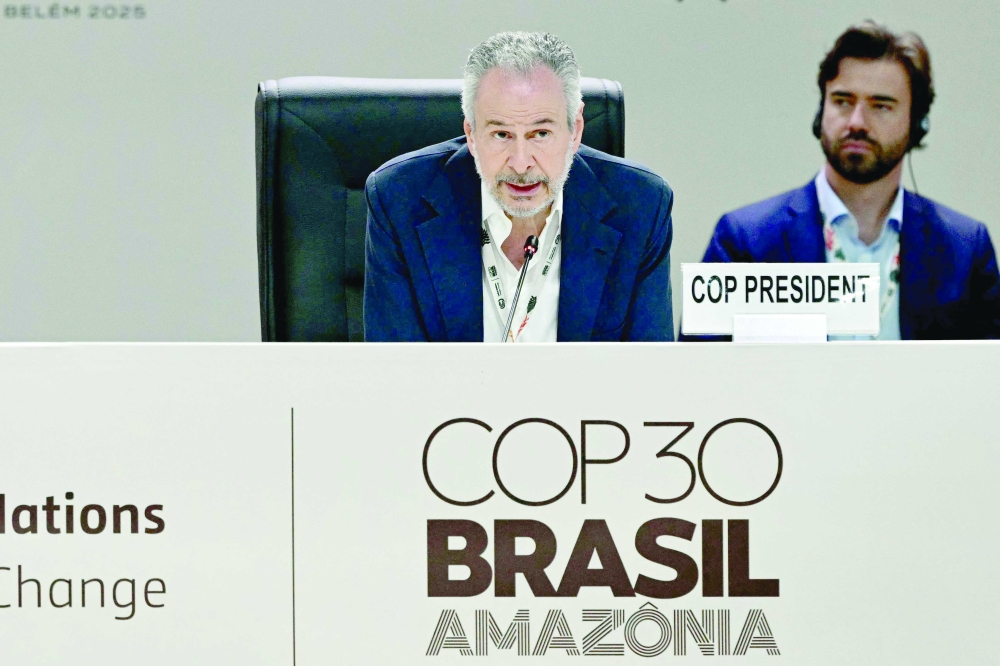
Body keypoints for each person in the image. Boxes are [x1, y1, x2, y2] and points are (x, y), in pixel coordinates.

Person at [363, 32, 674, 342]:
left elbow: (650, 378)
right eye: (501, 135)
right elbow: (396, 377)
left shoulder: (642, 207)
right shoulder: (399, 201)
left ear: (575, 130)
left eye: (540, 133)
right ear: (471, 135)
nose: (521, 163)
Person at [699, 22, 1000, 339]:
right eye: (842, 101)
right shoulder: (745, 242)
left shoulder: (964, 251)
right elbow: (697, 375)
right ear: (820, 111)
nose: (856, 122)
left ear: (917, 123)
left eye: (881, 106)